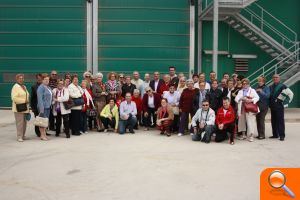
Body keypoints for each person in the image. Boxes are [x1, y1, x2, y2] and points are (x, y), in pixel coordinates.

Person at [269, 74, 289, 141]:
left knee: (280, 121)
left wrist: (282, 102)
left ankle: (282, 135)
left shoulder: (283, 86)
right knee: (273, 120)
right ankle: (275, 134)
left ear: (279, 78)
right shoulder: (271, 86)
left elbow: (287, 94)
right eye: (274, 77)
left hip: (279, 106)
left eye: (276, 77)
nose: (275, 78)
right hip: (272, 106)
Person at [11, 74, 30, 142]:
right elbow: (14, 98)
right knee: (20, 123)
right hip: (18, 108)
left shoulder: (24, 86)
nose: (21, 79)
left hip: (25, 107)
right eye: (20, 78)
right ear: (17, 79)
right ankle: (19, 136)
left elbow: (26, 95)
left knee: (24, 123)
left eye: (22, 78)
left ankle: (23, 135)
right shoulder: (15, 87)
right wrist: (24, 101)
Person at [37, 73, 53, 141]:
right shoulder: (41, 87)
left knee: (45, 121)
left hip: (48, 107)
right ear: (42, 80)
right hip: (43, 108)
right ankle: (42, 135)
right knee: (42, 122)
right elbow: (40, 99)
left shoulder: (48, 87)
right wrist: (41, 110)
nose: (47, 81)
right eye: (45, 79)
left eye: (48, 79)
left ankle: (44, 134)